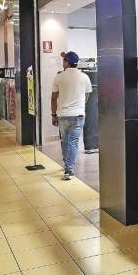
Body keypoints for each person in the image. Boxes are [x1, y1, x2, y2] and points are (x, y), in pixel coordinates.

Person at [51, 51, 92, 180]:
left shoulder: (59, 77)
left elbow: (53, 98)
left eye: (64, 60)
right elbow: (87, 95)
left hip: (62, 115)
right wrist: (80, 105)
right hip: (78, 115)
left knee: (65, 141)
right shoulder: (84, 77)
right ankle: (69, 169)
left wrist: (53, 114)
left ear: (67, 62)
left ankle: (67, 165)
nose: (63, 63)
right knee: (73, 142)